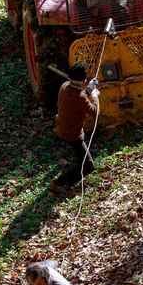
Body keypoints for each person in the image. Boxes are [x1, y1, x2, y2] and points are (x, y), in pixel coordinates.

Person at [49, 61, 100, 194]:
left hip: (63, 127)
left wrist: (89, 89)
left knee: (82, 139)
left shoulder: (65, 85)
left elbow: (78, 96)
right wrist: (94, 96)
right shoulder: (80, 97)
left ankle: (85, 152)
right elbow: (95, 112)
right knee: (89, 166)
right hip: (72, 134)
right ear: (84, 81)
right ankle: (59, 183)